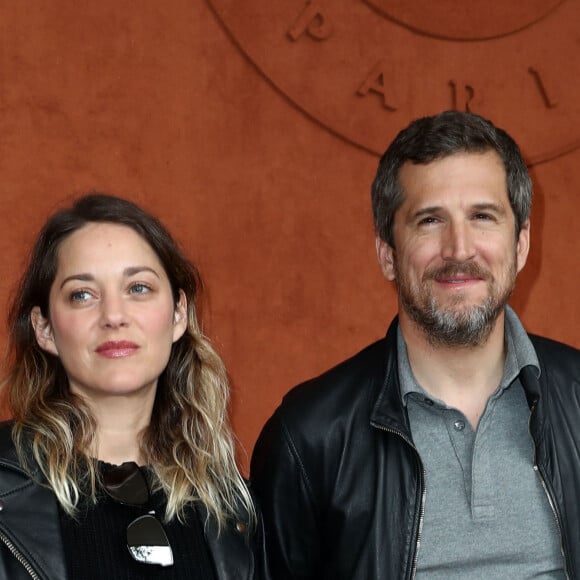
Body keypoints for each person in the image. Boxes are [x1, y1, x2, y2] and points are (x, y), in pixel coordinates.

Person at [251, 111, 580, 579]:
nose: (459, 248)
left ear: (521, 245)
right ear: (388, 254)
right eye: (429, 221)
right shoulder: (309, 438)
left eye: (483, 217)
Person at [0, 193, 268, 579]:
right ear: (44, 328)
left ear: (178, 313)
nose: (114, 316)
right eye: (82, 295)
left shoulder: (234, 513)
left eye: (138, 288)